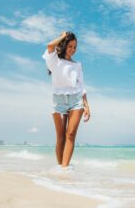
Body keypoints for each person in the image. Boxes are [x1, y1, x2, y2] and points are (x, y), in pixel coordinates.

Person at [42, 31, 90, 168]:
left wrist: (87, 106)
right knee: (61, 137)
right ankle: (60, 167)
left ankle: (64, 169)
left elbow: (81, 86)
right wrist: (63, 36)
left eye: (75, 47)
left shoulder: (77, 65)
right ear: (63, 45)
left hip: (76, 100)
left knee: (71, 134)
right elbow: (50, 45)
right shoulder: (54, 61)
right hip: (59, 100)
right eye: (70, 46)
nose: (73, 50)